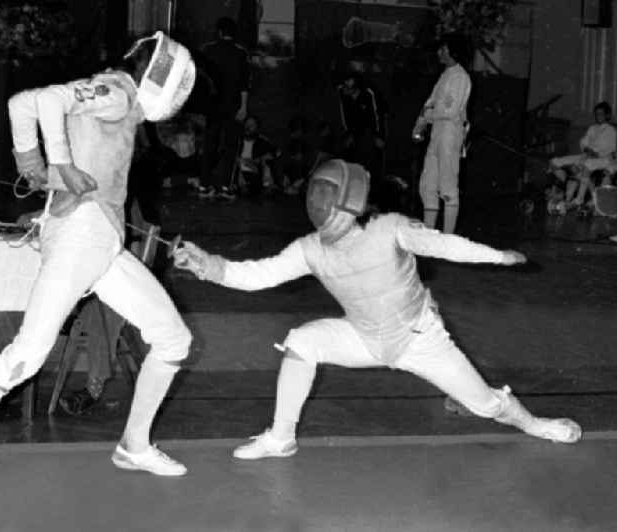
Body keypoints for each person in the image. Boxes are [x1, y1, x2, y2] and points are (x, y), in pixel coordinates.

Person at [0, 31, 197, 489]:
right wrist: (59, 163)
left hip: (101, 243)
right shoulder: (117, 94)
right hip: (80, 237)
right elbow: (45, 99)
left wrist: (31, 160)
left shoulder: (110, 94)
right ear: (159, 77)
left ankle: (135, 444)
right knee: (25, 356)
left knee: (172, 338)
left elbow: (23, 104)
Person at [174, 159, 582, 460]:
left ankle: (534, 423)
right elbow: (258, 274)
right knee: (303, 341)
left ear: (349, 200)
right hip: (365, 338)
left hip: (421, 340)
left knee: (488, 407)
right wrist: (207, 265)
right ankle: (281, 437)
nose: (320, 205)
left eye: (326, 197)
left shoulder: (390, 228)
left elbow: (442, 244)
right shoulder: (310, 249)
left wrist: (495, 257)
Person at [413, 34, 472, 234]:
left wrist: (428, 115)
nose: (439, 53)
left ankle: (448, 238)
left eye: (444, 49)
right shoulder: (445, 75)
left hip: (450, 133)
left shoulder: (461, 77)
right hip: (437, 133)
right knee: (428, 183)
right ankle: (429, 234)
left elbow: (449, 111)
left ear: (453, 52)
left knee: (447, 185)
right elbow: (430, 103)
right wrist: (419, 125)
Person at [197, 17, 251, 200]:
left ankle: (204, 185)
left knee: (209, 145)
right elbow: (245, 84)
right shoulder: (241, 53)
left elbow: (201, 81)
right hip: (233, 107)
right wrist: (243, 107)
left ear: (219, 32)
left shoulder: (208, 50)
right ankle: (226, 187)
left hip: (213, 106)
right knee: (231, 146)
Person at [547, 102, 617, 205]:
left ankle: (579, 198)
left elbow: (611, 148)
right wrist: (586, 149)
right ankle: (564, 178)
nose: (598, 116)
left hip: (603, 159)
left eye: (601, 114)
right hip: (587, 155)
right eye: (596, 114)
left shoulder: (611, 130)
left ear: (607, 115)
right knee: (554, 161)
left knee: (584, 165)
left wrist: (596, 153)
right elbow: (583, 142)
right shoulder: (592, 128)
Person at [337, 72, 386, 184]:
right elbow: (344, 115)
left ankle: (374, 182)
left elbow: (377, 116)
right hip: (354, 129)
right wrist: (348, 134)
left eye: (348, 87)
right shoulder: (342, 94)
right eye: (344, 85)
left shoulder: (369, 94)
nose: (345, 89)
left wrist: (379, 136)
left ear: (356, 89)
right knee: (350, 155)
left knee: (373, 157)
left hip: (370, 128)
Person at [233, 115, 279, 196]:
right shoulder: (237, 140)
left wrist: (262, 158)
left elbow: (277, 152)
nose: (248, 127)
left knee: (267, 163)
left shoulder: (261, 141)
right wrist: (240, 160)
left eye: (252, 125)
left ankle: (267, 186)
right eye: (247, 124)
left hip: (255, 171)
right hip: (240, 171)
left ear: (257, 128)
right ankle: (241, 186)